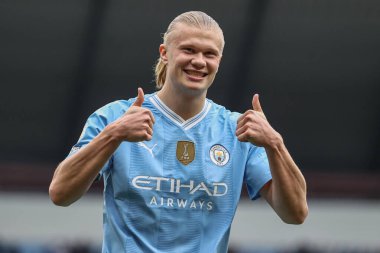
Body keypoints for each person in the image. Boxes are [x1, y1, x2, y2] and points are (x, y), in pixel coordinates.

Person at [49, 11, 308, 253]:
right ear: (164, 53)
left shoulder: (238, 129)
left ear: (219, 61)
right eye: (188, 50)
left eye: (210, 53)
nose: (199, 61)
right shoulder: (116, 118)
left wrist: (275, 144)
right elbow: (60, 193)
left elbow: (295, 214)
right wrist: (113, 135)